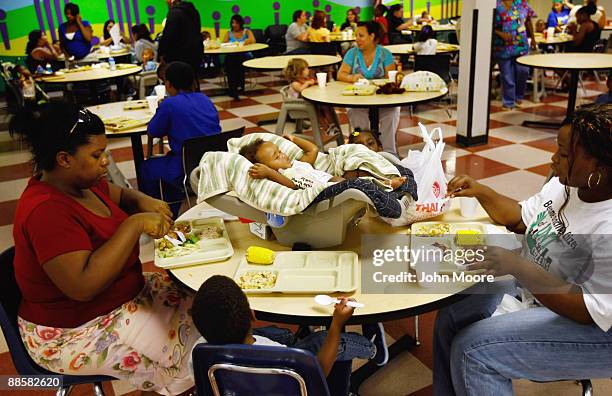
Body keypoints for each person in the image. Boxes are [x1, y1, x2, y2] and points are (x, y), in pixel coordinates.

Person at [10, 101, 200, 395]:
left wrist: (141, 201)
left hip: (121, 298)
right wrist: (134, 224)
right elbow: (83, 286)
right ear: (64, 159)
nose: (105, 162)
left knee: (205, 305)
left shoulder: (83, 182)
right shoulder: (45, 211)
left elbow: (121, 195)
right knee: (189, 360)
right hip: (74, 329)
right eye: (97, 155)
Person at [433, 103, 612, 396]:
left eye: (565, 154)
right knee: (453, 312)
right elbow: (520, 218)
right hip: (541, 286)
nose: (553, 160)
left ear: (600, 169)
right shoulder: (568, 186)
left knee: (474, 351)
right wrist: (481, 191)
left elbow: (587, 310)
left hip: (596, 327)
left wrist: (517, 266)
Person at [191, 275, 375, 396]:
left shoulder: (198, 354)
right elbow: (319, 371)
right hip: (281, 381)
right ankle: (372, 348)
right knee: (323, 340)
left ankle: (297, 338)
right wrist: (337, 324)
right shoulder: (280, 356)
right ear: (253, 315)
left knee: (280, 334)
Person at [140, 62, 221, 216]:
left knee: (147, 167)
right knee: (169, 164)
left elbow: (153, 131)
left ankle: (158, 213)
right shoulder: (204, 99)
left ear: (168, 84)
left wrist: (160, 109)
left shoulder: (169, 104)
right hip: (214, 163)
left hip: (185, 167)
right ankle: (171, 208)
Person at [240, 134, 406, 190]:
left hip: (331, 179)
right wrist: (268, 173)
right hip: (325, 189)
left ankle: (386, 181)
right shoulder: (282, 175)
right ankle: (386, 185)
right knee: (359, 185)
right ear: (268, 168)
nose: (282, 155)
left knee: (358, 175)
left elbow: (313, 150)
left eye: (280, 151)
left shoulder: (298, 163)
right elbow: (291, 185)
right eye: (276, 157)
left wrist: (294, 138)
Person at [337, 21, 400, 156]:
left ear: (372, 36)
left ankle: (388, 152)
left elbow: (391, 78)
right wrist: (352, 78)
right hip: (358, 99)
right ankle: (364, 151)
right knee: (355, 112)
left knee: (391, 112)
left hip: (383, 99)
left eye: (361, 35)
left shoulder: (385, 54)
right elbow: (340, 74)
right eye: (356, 35)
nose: (357, 39)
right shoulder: (352, 53)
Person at [493, 0, 537, 110]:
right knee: (507, 76)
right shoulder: (495, 5)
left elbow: (528, 22)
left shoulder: (522, 3)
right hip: (502, 46)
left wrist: (533, 39)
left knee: (523, 71)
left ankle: (518, 96)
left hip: (521, 45)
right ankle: (508, 102)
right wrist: (500, 33)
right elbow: (487, 24)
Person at [284, 58, 341, 138]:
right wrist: (307, 83)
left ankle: (332, 124)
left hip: (307, 103)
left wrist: (315, 82)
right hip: (298, 106)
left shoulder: (304, 80)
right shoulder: (295, 83)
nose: (308, 70)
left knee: (326, 106)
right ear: (298, 71)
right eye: (305, 68)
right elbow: (301, 90)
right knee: (317, 111)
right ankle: (326, 128)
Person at [158, 0, 203, 73]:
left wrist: (161, 53)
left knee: (178, 81)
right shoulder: (194, 11)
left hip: (178, 56)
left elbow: (168, 36)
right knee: (192, 78)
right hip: (196, 52)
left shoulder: (174, 13)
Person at [222, 14, 255, 100]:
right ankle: (234, 88)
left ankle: (235, 87)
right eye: (233, 23)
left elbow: (253, 40)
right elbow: (223, 43)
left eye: (236, 23)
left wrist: (246, 41)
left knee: (235, 61)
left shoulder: (246, 31)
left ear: (241, 23)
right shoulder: (228, 33)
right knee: (230, 60)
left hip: (245, 54)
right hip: (232, 55)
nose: (234, 25)